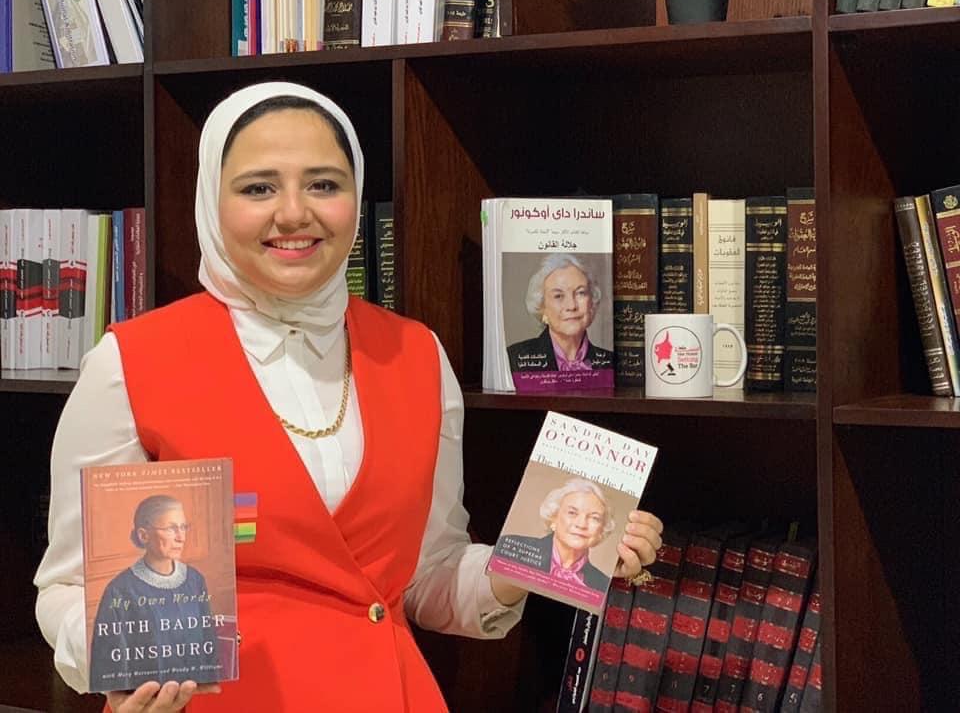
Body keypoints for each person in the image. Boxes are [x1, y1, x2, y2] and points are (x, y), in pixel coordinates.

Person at [34, 82, 664, 712]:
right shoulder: (129, 363)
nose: (293, 214)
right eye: (258, 188)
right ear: (209, 200)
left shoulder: (418, 355)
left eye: (323, 184)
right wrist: (121, 662)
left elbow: (427, 574)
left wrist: (537, 560)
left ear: (357, 199)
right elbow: (66, 588)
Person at [89, 496, 220, 690]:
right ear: (144, 535)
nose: (181, 537)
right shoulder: (119, 590)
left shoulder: (195, 580)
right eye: (171, 528)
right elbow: (112, 665)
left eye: (183, 527)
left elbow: (209, 645)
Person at [495, 478, 617, 593]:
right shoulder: (511, 547)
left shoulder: (603, 584)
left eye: (594, 518)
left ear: (602, 530)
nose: (581, 524)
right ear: (553, 518)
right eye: (572, 513)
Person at [506, 253, 613, 373]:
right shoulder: (513, 359)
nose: (571, 306)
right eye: (558, 296)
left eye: (580, 293)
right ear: (542, 307)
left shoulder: (611, 362)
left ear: (592, 302)